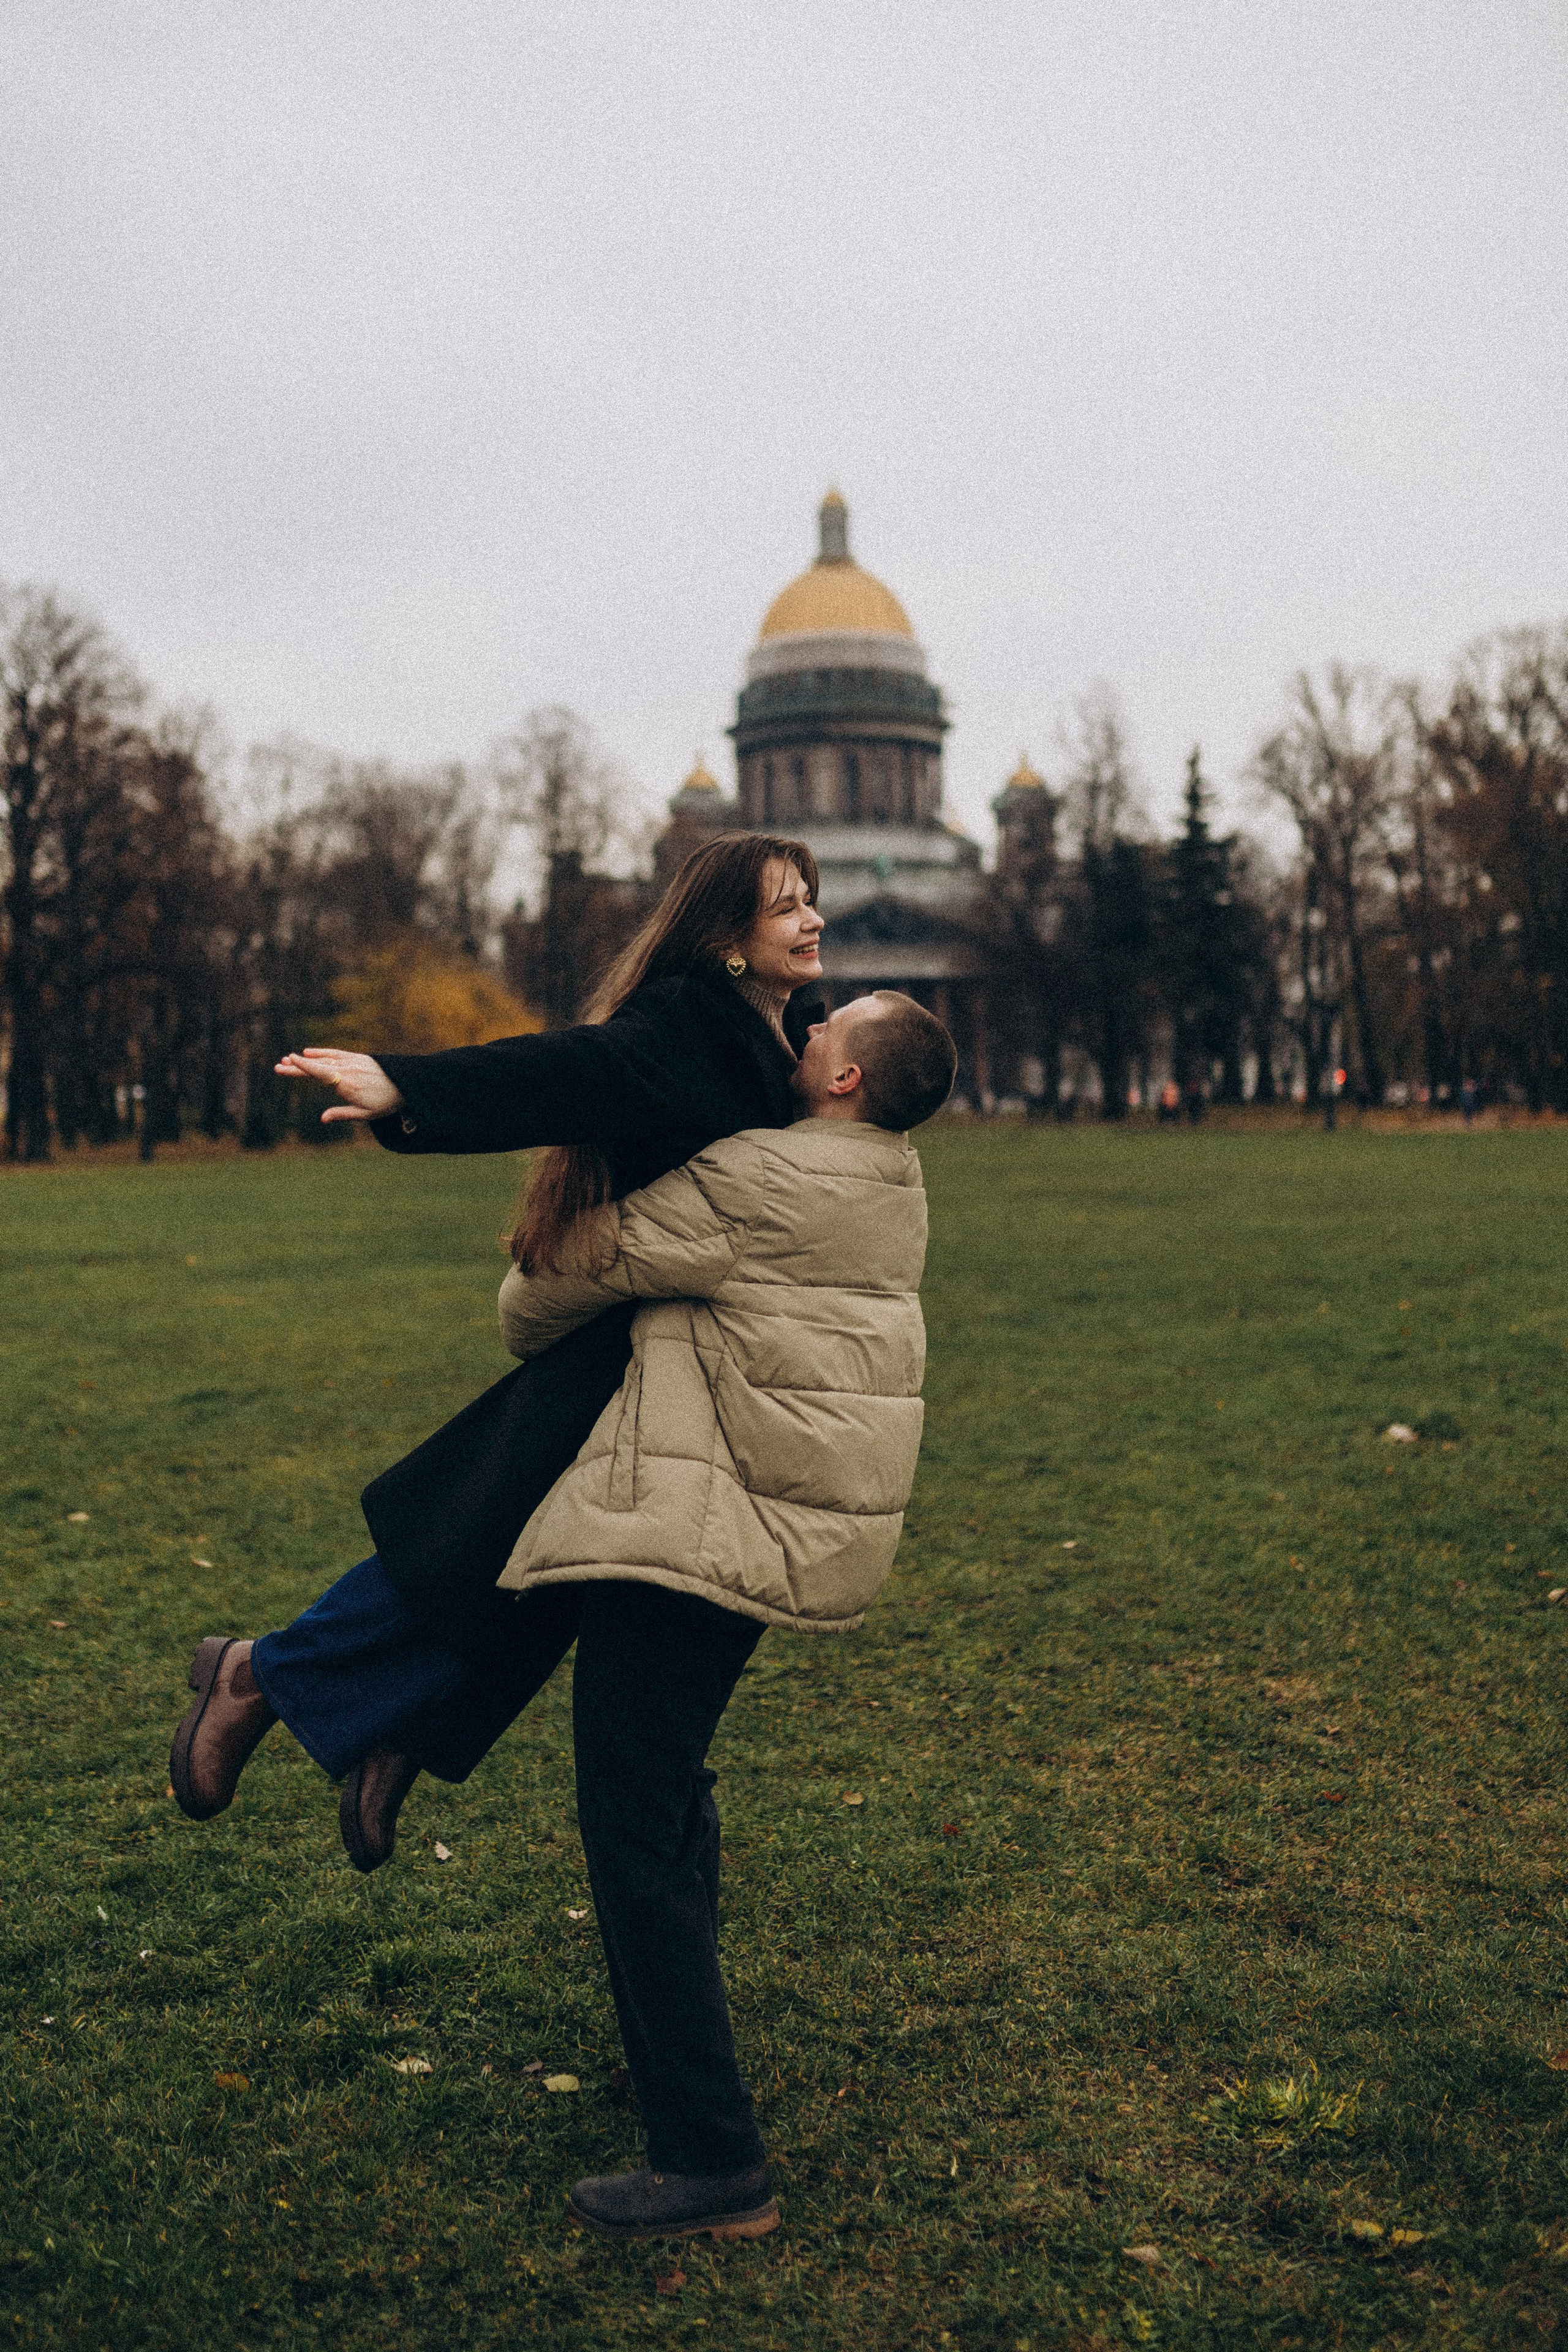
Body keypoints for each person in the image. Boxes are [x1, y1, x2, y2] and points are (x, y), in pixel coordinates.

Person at [168, 834, 826, 1871]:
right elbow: (562, 1069)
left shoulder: (800, 1033)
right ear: (729, 938)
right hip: (617, 1357)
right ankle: (258, 1677)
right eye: (788, 906)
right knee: (477, 1552)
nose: (812, 920)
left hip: (696, 1369)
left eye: (810, 901)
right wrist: (405, 1088)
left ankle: (401, 1728)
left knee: (552, 1578)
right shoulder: (685, 1026)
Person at [484, 989, 956, 2242]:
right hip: (782, 1517)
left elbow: (543, 1291)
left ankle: (711, 2161)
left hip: (702, 1526)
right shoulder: (888, 1173)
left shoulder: (757, 1177)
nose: (799, 1038)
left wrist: (603, 1293)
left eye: (823, 1032)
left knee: (631, 1822)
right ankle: (684, 2088)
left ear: (847, 1079)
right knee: (666, 1795)